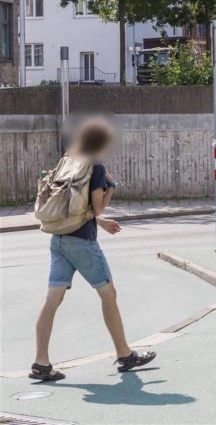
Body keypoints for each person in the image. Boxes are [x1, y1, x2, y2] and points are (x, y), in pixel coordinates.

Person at [30, 118, 156, 381]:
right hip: (82, 242)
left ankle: (41, 363)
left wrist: (100, 221)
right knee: (108, 293)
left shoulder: (68, 161)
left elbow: (71, 206)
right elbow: (97, 206)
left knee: (52, 300)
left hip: (59, 239)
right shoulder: (95, 167)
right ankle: (125, 354)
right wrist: (111, 187)